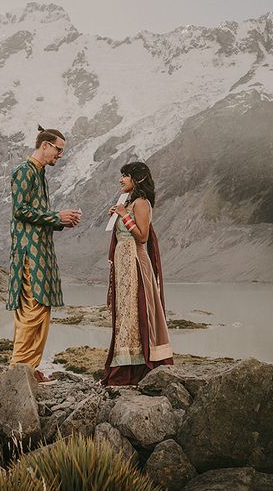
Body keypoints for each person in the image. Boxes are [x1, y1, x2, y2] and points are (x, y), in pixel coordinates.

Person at [6, 125, 81, 382]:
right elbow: (20, 210)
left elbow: (35, 214)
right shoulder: (24, 171)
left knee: (41, 309)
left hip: (41, 250)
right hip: (30, 252)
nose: (60, 155)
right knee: (32, 309)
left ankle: (30, 368)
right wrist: (55, 216)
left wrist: (61, 221)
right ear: (45, 145)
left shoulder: (38, 174)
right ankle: (18, 370)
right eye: (58, 149)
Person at [102, 161, 173, 385]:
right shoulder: (129, 203)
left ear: (138, 179)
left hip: (135, 264)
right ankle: (127, 365)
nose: (121, 180)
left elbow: (142, 237)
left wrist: (124, 215)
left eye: (125, 176)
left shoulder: (141, 203)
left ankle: (135, 369)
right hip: (124, 265)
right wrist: (118, 215)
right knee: (126, 313)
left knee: (136, 311)